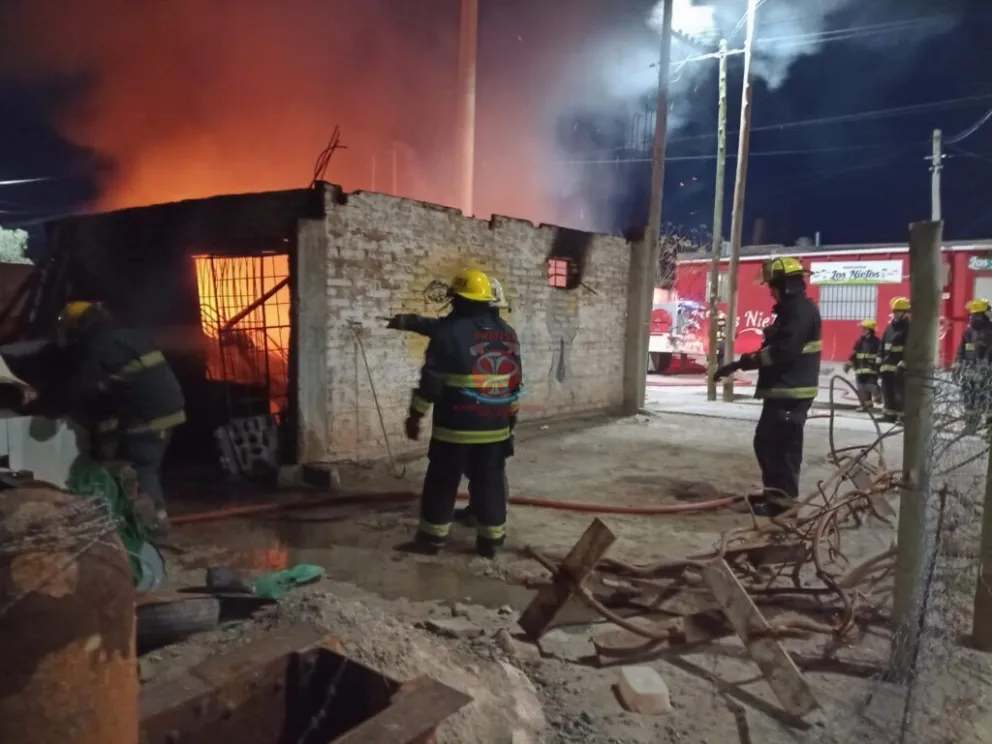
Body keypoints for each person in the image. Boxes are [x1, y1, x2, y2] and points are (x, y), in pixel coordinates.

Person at [403, 268, 522, 557]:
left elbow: (431, 382)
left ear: (458, 299)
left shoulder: (448, 332)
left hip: (454, 428)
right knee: (490, 482)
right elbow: (515, 381)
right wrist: (510, 420)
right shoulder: (507, 333)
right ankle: (491, 542)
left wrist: (415, 416)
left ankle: (432, 540)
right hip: (495, 427)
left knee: (443, 482)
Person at [54, 301, 186, 536]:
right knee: (142, 464)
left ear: (78, 326)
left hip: (148, 417)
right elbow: (116, 385)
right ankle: (142, 519)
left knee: (141, 467)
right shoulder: (127, 336)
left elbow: (85, 391)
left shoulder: (97, 347)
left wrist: (57, 407)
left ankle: (154, 527)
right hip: (170, 409)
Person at [713, 257, 821, 517]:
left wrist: (742, 363)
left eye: (773, 285)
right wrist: (741, 364)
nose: (770, 291)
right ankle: (775, 494)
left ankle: (782, 504)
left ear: (786, 286)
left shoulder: (800, 312)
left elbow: (784, 351)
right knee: (767, 443)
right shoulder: (791, 312)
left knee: (780, 446)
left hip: (791, 391)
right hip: (783, 390)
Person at [955, 297, 992, 434]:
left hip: (986, 373)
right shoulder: (968, 332)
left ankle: (989, 429)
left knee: (987, 400)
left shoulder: (990, 331)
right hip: (969, 370)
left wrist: (986, 367)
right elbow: (962, 348)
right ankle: (971, 425)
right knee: (969, 399)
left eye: (975, 314)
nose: (972, 317)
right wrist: (958, 362)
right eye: (972, 315)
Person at [878, 297, 910, 424]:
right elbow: (882, 343)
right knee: (887, 391)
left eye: (898, 311)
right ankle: (889, 415)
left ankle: (902, 417)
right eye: (894, 311)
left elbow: (910, 347)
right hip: (887, 366)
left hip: (899, 366)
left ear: (905, 313)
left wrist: (903, 363)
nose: (895, 314)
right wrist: (879, 360)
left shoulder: (908, 328)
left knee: (900, 393)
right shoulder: (889, 327)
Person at [844, 320, 882, 412]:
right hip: (859, 371)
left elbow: (881, 355)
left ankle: (880, 396)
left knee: (871, 386)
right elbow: (855, 354)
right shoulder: (860, 341)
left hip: (871, 371)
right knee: (861, 389)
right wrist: (849, 363)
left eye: (864, 328)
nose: (862, 330)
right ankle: (866, 407)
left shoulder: (877, 342)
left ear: (869, 330)